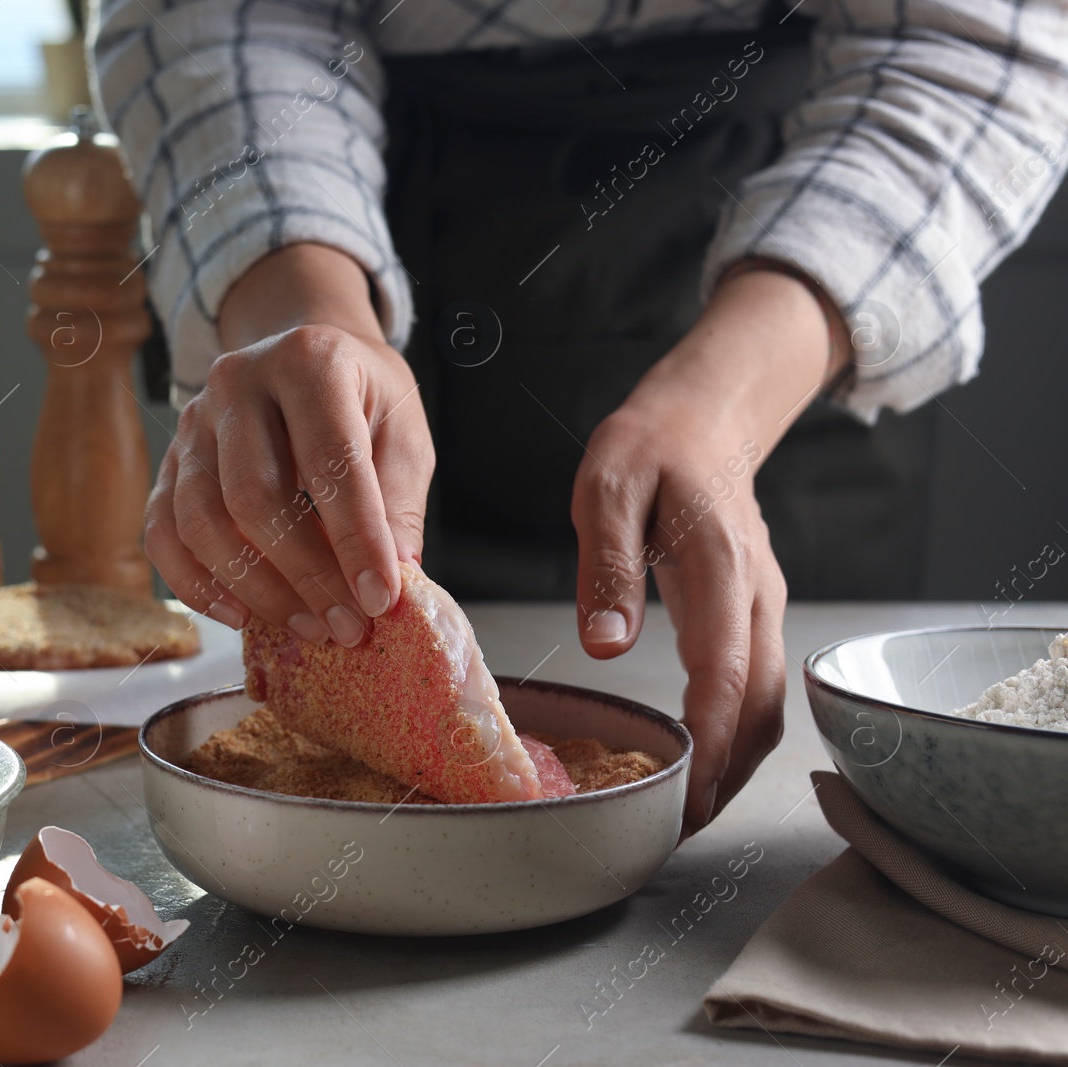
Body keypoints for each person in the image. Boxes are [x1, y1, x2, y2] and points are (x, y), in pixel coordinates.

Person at [92, 0, 1068, 834]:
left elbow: (973, 38)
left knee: (759, 825)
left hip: (803, 240)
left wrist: (723, 402)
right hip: (371, 195)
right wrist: (305, 320)